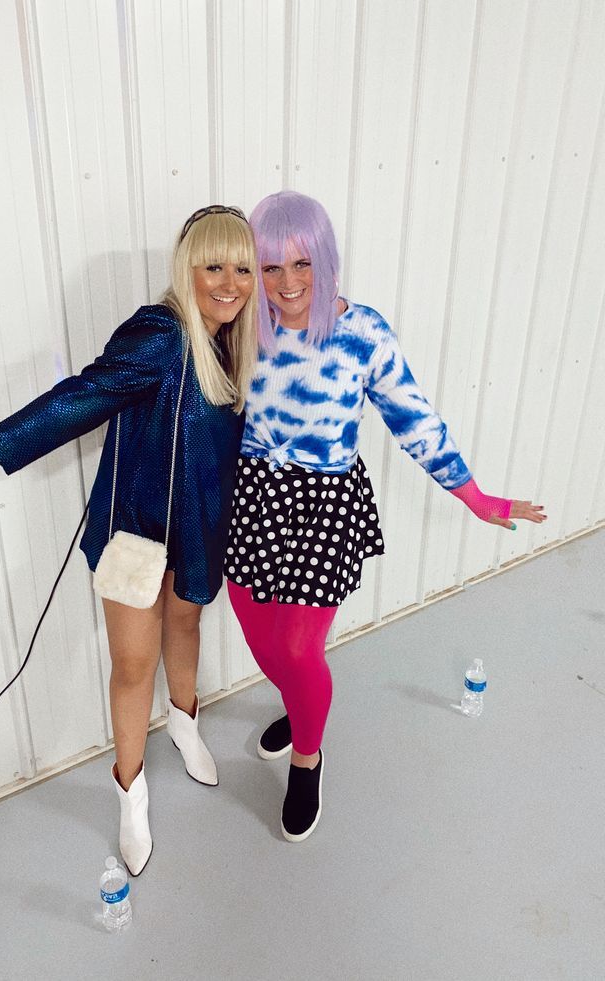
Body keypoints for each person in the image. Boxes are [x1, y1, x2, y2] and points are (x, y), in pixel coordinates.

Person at [0, 205, 258, 876]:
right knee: (131, 664)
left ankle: (184, 724)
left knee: (187, 628)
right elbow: (78, 396)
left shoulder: (237, 344)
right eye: (213, 266)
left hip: (200, 531)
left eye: (241, 267)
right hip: (137, 536)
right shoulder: (161, 333)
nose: (229, 282)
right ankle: (130, 790)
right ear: (188, 268)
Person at [224, 191, 547, 843]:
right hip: (252, 500)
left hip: (323, 506)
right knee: (263, 644)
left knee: (296, 645)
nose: (287, 284)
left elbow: (414, 420)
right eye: (270, 267)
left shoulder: (362, 332)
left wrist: (477, 496)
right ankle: (298, 705)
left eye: (301, 264)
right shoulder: (243, 327)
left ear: (326, 260)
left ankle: (308, 757)